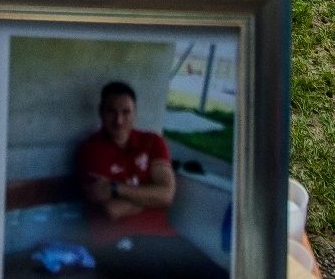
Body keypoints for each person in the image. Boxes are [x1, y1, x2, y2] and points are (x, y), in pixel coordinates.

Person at [75, 81, 227, 279]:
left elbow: (166, 195)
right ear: (101, 112)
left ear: (135, 113)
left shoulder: (152, 142)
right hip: (114, 242)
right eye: (111, 112)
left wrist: (115, 188)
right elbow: (113, 210)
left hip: (165, 238)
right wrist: (151, 196)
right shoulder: (90, 150)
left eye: (126, 112)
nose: (119, 120)